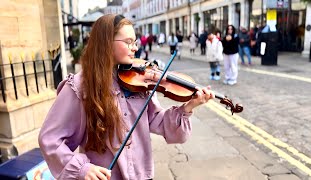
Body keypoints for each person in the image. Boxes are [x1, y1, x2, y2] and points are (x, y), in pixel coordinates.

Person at [38, 14, 214, 180]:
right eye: (128, 42)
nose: (135, 48)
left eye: (135, 41)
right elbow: (50, 138)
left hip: (141, 175)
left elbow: (156, 120)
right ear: (106, 43)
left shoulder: (138, 80)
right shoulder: (79, 86)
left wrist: (187, 108)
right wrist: (82, 168)